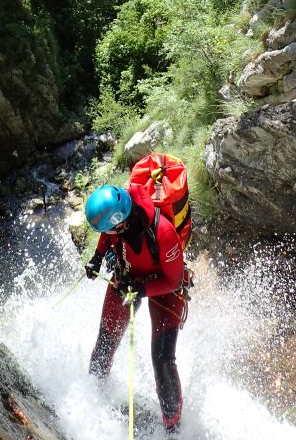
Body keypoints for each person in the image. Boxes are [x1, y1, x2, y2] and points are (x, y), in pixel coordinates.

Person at [84, 182, 187, 435]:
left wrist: (141, 289)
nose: (107, 233)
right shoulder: (118, 219)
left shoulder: (163, 233)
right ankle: (92, 396)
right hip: (128, 275)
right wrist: (97, 257)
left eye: (110, 228)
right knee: (106, 339)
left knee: (162, 359)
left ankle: (174, 430)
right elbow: (107, 234)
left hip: (164, 287)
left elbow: (174, 281)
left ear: (121, 223)